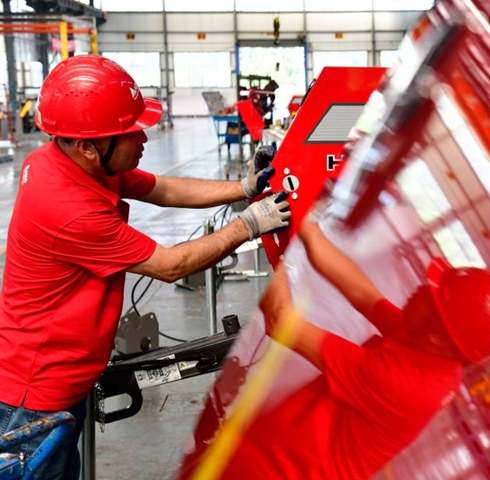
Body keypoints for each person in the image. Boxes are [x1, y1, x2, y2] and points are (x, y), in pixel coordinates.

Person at [0, 55, 290, 479]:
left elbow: (165, 189)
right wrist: (248, 225)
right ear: (88, 146)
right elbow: (172, 265)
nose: (144, 138)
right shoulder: (67, 207)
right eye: (132, 131)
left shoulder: (73, 160)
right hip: (37, 393)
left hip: (61, 374)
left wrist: (244, 188)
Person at [215, 220, 490, 479]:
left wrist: (270, 243)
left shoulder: (403, 383)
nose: (421, 288)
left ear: (440, 334)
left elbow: (282, 321)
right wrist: (306, 226)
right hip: (265, 453)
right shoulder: (431, 348)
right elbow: (362, 292)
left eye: (433, 296)